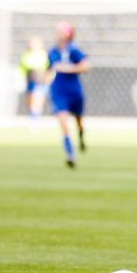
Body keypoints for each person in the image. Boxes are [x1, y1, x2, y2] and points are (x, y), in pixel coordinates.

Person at [48, 21, 90, 168]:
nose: (57, 34)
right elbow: (48, 70)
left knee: (79, 121)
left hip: (74, 91)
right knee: (64, 123)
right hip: (59, 91)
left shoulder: (74, 50)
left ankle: (81, 137)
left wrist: (68, 68)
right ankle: (71, 154)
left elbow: (85, 66)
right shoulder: (52, 52)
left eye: (60, 31)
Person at [19, 36, 49, 121]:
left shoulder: (44, 54)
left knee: (38, 97)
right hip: (30, 80)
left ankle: (35, 118)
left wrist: (48, 78)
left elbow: (49, 68)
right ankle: (32, 115)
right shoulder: (26, 55)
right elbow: (22, 68)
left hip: (40, 81)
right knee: (30, 99)